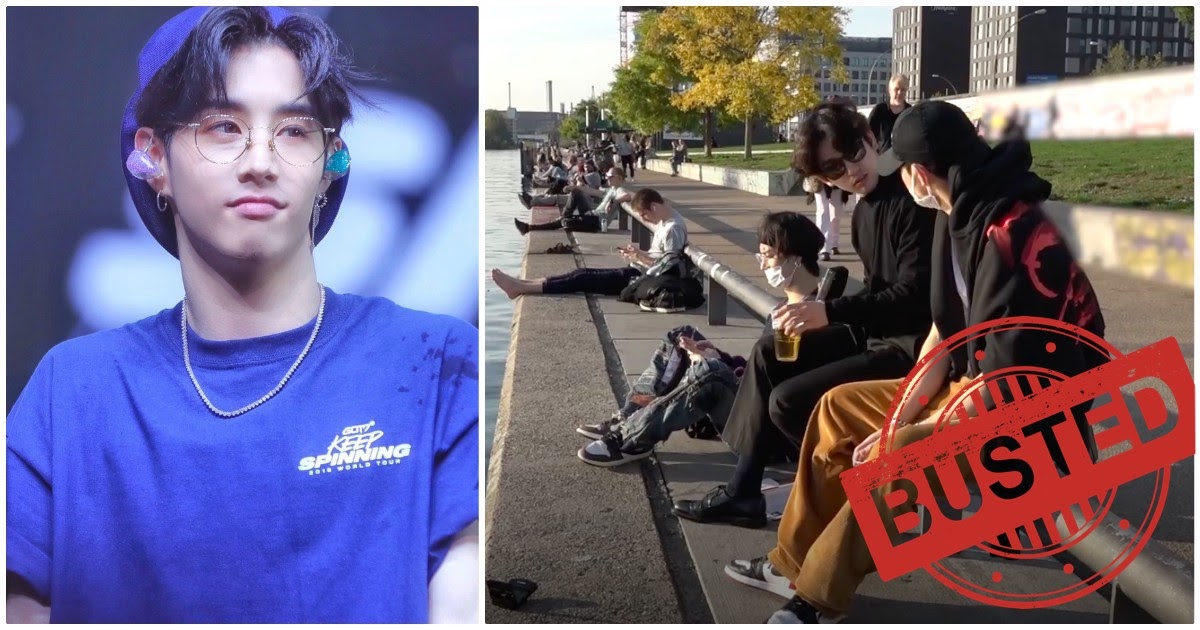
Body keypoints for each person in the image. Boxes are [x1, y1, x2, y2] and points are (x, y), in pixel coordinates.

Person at [5, 7, 478, 624]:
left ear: (332, 164)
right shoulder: (73, 390)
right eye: (223, 126)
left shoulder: (431, 359)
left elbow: (462, 600)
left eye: (295, 131)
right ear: (152, 158)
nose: (261, 160)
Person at [748, 100, 1107, 624]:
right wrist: (899, 415)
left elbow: (1010, 384)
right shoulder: (957, 211)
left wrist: (904, 433)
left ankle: (817, 598)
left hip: (1038, 410)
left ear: (919, 174)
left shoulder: (1014, 237)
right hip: (976, 380)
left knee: (901, 459)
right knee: (835, 409)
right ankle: (795, 560)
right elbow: (943, 330)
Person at [671, 103, 937, 536]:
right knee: (768, 350)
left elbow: (913, 299)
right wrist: (818, 315)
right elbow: (877, 291)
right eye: (834, 169)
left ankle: (837, 502)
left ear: (870, 138)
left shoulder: (911, 201)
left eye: (853, 151)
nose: (851, 170)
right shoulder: (866, 211)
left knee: (788, 401)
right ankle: (745, 490)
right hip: (874, 334)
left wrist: (829, 311)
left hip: (910, 348)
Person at [575, 212, 827, 467]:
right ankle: (629, 417)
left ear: (796, 258)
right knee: (681, 336)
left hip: (772, 437)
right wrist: (722, 357)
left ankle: (629, 438)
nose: (762, 266)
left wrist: (719, 365)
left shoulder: (814, 318)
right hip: (754, 406)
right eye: (761, 256)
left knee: (711, 372)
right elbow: (763, 367)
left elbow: (779, 388)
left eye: (769, 256)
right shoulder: (787, 306)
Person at [491, 188, 685, 299]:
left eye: (644, 215)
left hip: (640, 279)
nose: (646, 220)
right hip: (638, 271)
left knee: (582, 279)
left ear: (654, 206)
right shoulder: (665, 223)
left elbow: (667, 268)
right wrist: (638, 253)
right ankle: (522, 283)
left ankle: (522, 288)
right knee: (579, 273)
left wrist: (639, 256)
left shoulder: (672, 228)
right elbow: (662, 259)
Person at [513, 167, 632, 235]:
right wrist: (574, 187)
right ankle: (530, 228)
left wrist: (613, 201)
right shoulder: (611, 190)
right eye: (607, 175)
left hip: (596, 223)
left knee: (564, 220)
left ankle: (529, 228)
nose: (607, 178)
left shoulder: (619, 190)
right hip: (591, 216)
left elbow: (628, 196)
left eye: (610, 176)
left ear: (620, 178)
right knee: (576, 193)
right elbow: (591, 191)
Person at [867, 74, 911, 153]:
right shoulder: (879, 111)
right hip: (881, 161)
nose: (899, 92)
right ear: (890, 90)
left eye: (903, 89)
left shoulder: (910, 113)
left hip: (904, 162)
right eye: (896, 89)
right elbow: (867, 135)